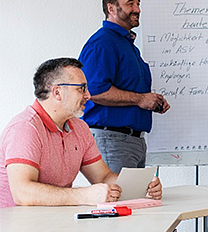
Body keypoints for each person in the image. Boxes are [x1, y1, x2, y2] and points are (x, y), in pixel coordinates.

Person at [0, 58, 162, 208]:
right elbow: (22, 193)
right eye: (81, 88)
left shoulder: (79, 128)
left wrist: (142, 187)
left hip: (52, 224)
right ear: (57, 92)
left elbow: (103, 177)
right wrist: (83, 195)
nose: (88, 95)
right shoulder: (25, 128)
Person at [79, 0, 170, 174]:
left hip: (131, 142)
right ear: (111, 8)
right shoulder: (102, 42)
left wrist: (151, 101)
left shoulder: (127, 45)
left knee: (133, 202)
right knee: (117, 202)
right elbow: (93, 90)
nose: (137, 9)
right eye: (130, 4)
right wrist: (140, 99)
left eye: (138, 4)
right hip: (112, 140)